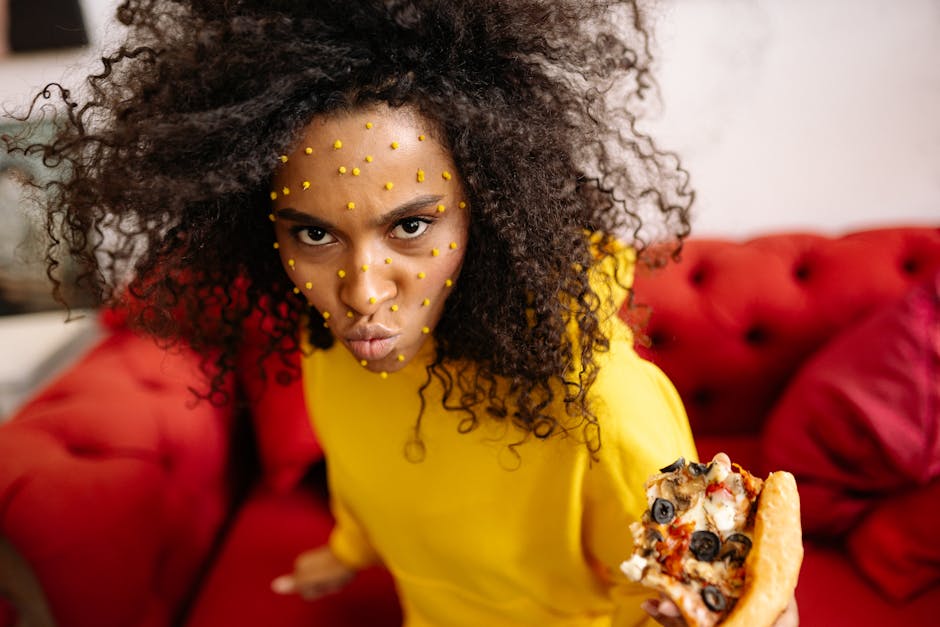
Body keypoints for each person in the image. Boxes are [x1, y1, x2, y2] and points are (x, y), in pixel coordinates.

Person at [6, 0, 798, 625]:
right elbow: (370, 480)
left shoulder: (606, 410)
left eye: (411, 226)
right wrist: (347, 552)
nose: (361, 291)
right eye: (314, 234)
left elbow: (704, 592)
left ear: (485, 216)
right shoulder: (327, 351)